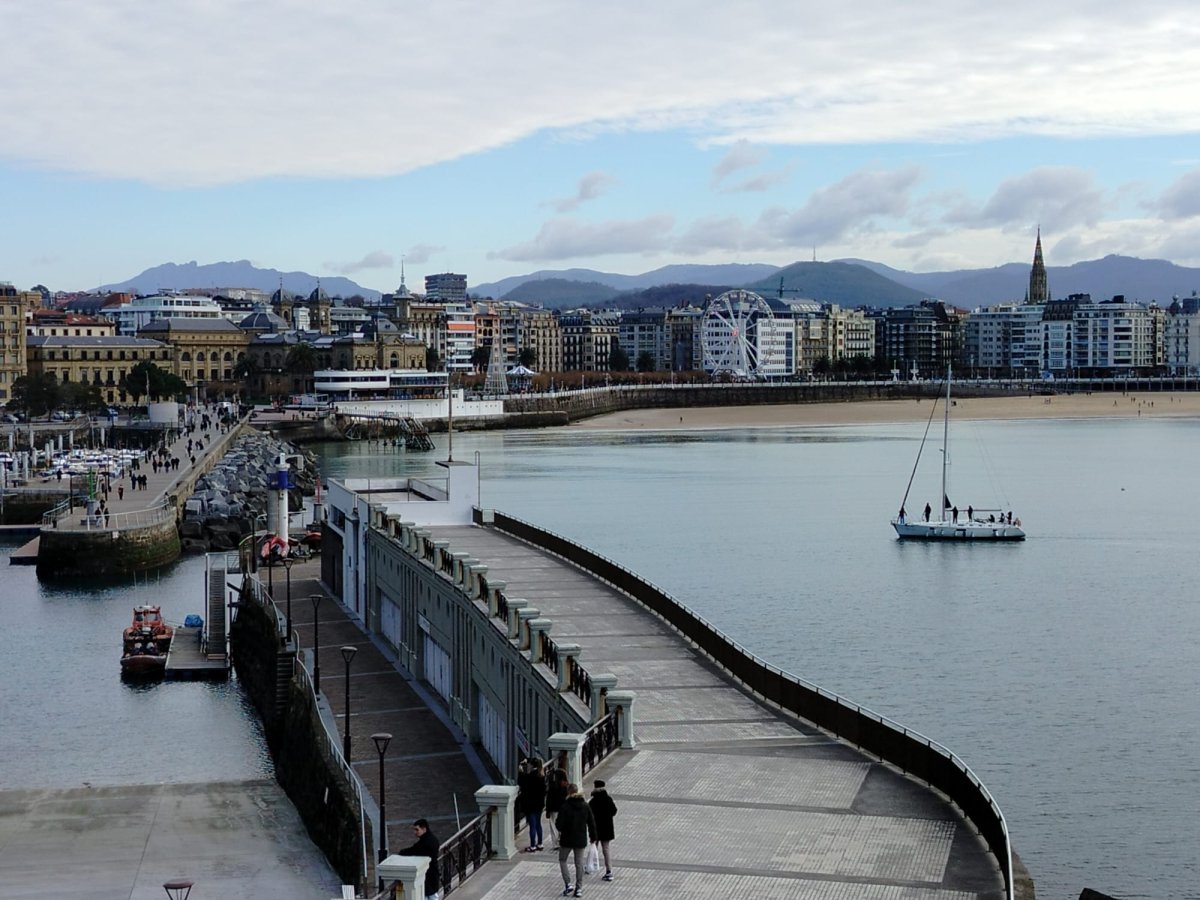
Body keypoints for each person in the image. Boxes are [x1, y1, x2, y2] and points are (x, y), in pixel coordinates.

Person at [554, 783, 596, 897]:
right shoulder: (585, 806)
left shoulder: (565, 806)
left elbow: (558, 825)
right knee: (579, 863)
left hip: (567, 839)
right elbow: (591, 823)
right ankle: (579, 888)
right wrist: (593, 837)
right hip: (580, 839)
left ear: (568, 792)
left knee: (562, 860)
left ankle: (568, 884)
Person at [398, 818, 440, 900]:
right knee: (432, 895)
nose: (415, 832)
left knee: (429, 896)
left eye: (417, 830)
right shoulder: (432, 839)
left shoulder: (425, 843)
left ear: (424, 829)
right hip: (431, 874)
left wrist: (402, 852)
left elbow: (414, 850)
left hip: (427, 875)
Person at [588, 780, 618, 882]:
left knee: (594, 847)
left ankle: (590, 866)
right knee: (606, 849)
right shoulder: (608, 799)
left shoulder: (593, 801)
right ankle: (609, 871)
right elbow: (614, 811)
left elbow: (589, 816)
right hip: (607, 828)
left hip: (596, 829)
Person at [518, 758, 547, 851]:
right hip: (539, 804)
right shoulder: (541, 775)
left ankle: (533, 845)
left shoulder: (530, 776)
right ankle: (540, 843)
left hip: (530, 805)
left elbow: (522, 782)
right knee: (538, 824)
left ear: (531, 765)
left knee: (532, 825)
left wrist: (520, 771)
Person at [545, 767, 568, 849]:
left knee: (553, 825)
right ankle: (562, 841)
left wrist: (547, 810)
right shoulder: (565, 786)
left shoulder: (553, 786)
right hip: (563, 808)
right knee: (562, 825)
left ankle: (556, 843)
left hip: (554, 808)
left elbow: (549, 799)